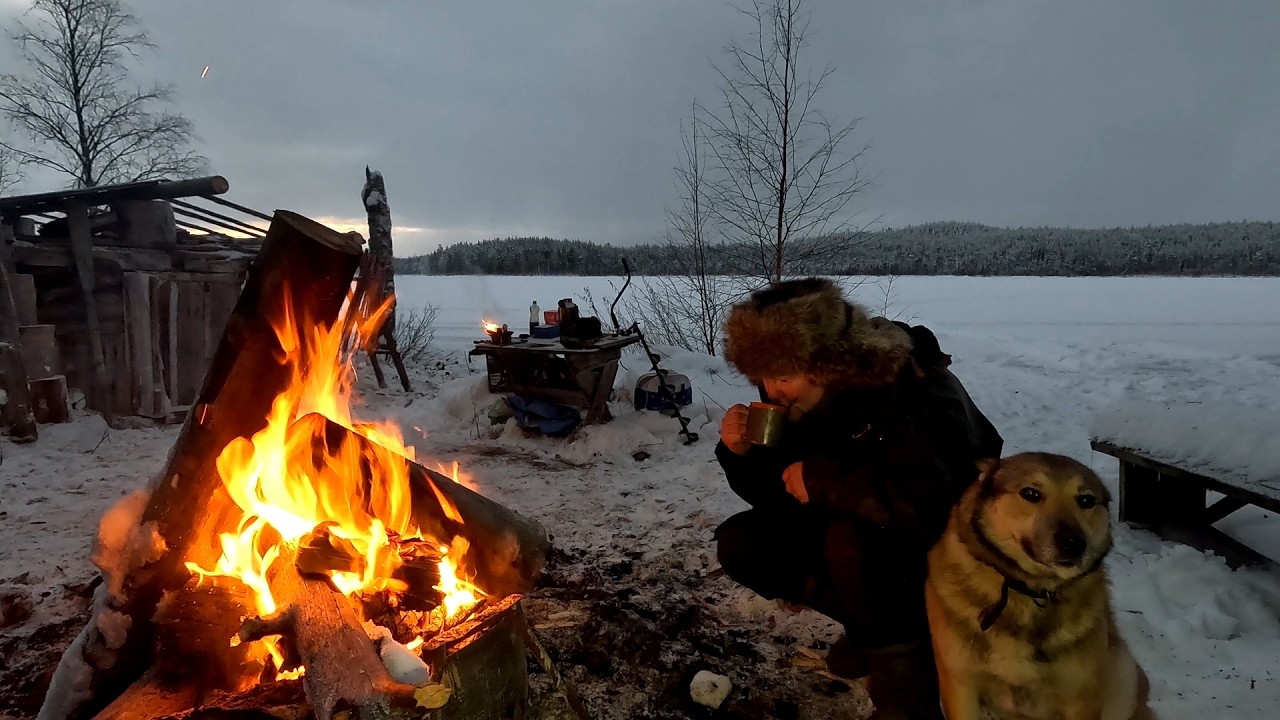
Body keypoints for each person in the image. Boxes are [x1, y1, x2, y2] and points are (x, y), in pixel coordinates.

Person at [714, 278, 1003, 720]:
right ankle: (872, 630)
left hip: (953, 549)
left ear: (825, 362)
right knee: (744, 544)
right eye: (763, 377)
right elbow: (781, 497)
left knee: (850, 544)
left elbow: (940, 509)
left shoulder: (898, 389)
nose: (771, 391)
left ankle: (908, 698)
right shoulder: (796, 398)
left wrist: (829, 483)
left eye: (783, 376)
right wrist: (741, 456)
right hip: (869, 533)